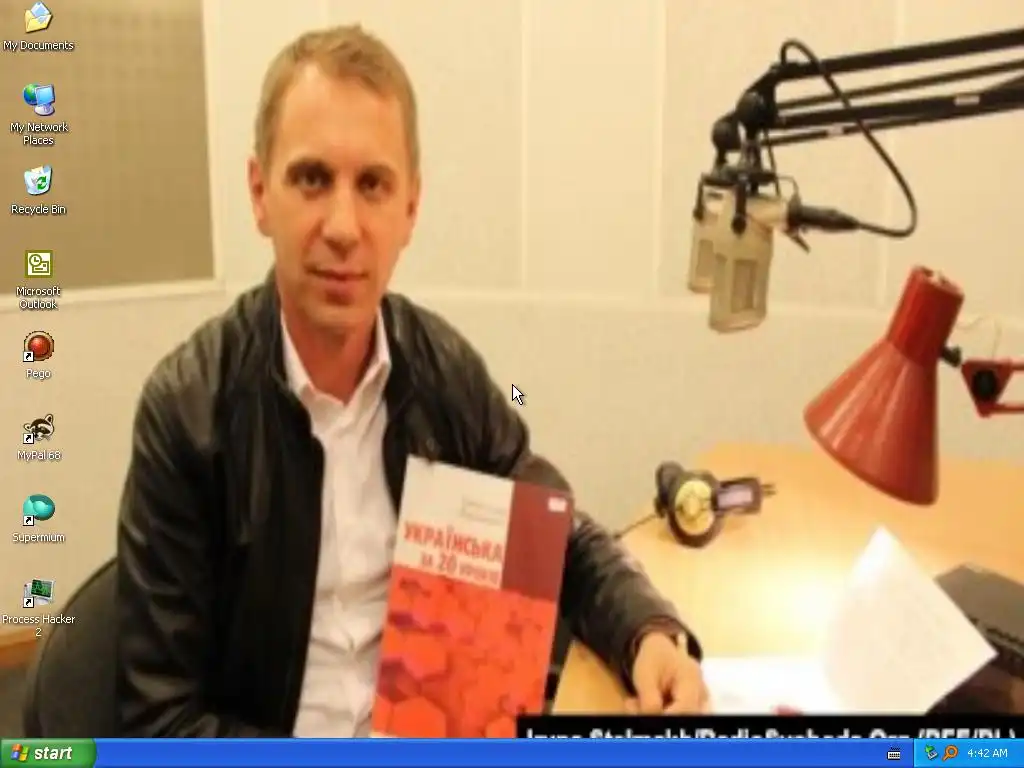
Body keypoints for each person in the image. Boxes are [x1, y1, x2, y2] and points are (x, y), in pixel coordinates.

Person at [115, 24, 707, 738]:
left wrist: (647, 631)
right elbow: (160, 722)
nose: (343, 226)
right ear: (260, 193)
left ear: (411, 209)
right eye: (312, 179)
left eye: (372, 185)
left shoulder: (443, 372)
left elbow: (554, 532)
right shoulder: (185, 413)